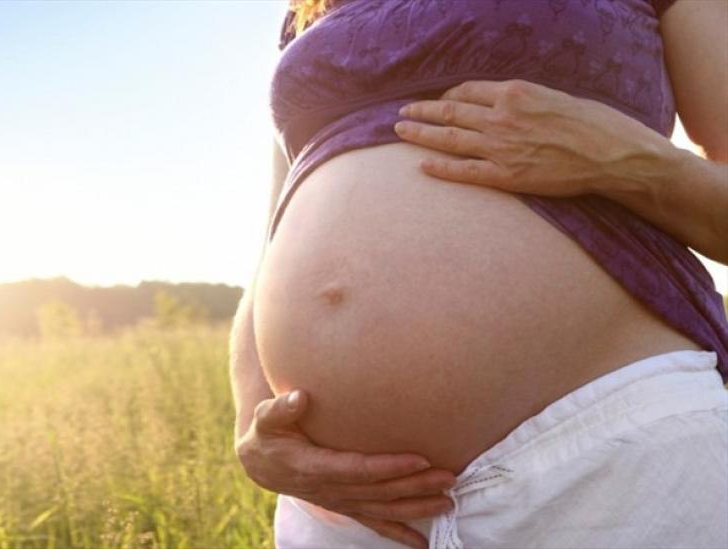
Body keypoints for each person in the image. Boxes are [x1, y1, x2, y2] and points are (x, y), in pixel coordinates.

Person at [230, 0, 728, 548]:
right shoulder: (311, 11)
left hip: (609, 453)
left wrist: (624, 159)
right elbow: (273, 234)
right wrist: (251, 431)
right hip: (349, 510)